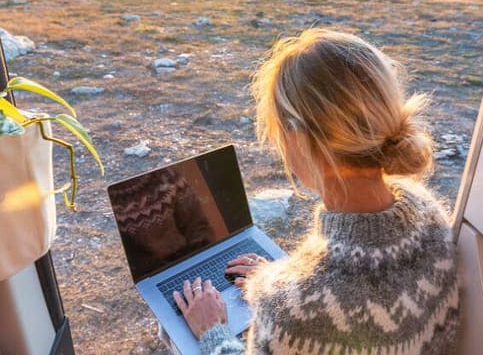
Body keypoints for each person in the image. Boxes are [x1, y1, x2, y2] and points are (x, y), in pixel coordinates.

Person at [172, 28, 460, 354]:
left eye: (278, 131)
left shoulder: (288, 311)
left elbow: (328, 294)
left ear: (299, 137)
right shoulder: (429, 212)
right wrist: (277, 278)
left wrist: (213, 333)